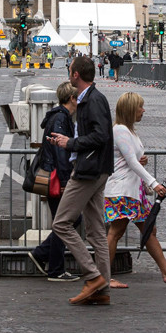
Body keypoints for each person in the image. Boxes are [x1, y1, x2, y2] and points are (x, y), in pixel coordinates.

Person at [47, 54, 115, 306]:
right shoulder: (91, 99)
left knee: (62, 223)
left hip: (88, 170)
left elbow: (100, 136)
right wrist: (65, 144)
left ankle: (93, 276)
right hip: (96, 168)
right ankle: (103, 290)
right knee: (97, 232)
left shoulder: (93, 100)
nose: (68, 71)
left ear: (76, 75)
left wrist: (71, 143)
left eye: (70, 69)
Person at [104, 91, 166, 286]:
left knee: (148, 230)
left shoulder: (129, 131)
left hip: (133, 191)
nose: (143, 110)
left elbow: (132, 160)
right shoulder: (120, 130)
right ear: (129, 110)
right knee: (115, 232)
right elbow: (131, 163)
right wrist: (154, 183)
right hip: (122, 190)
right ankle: (103, 278)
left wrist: (140, 162)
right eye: (140, 107)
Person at [29, 82, 79, 282]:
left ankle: (43, 255)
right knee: (66, 222)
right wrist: (67, 180)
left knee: (66, 221)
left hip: (55, 175)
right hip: (57, 177)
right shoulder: (60, 118)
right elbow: (61, 151)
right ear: (72, 99)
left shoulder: (60, 116)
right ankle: (54, 268)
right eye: (78, 97)